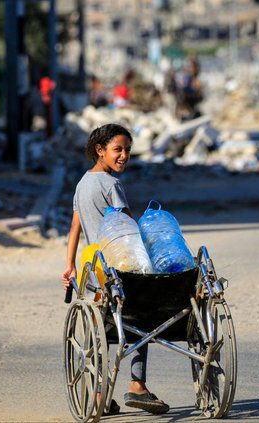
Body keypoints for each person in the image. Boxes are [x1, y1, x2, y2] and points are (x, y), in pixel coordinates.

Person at [61, 123, 169, 415]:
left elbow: (74, 227)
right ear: (100, 151)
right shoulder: (111, 185)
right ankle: (137, 386)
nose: (124, 156)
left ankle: (98, 396)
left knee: (100, 329)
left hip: (92, 266)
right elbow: (127, 225)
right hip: (118, 263)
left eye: (128, 150)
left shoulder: (82, 183)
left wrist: (70, 266)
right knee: (139, 319)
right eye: (118, 149)